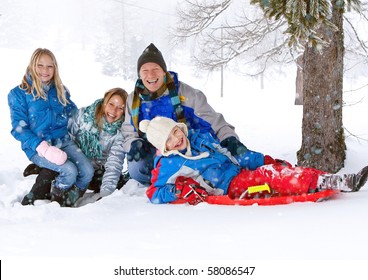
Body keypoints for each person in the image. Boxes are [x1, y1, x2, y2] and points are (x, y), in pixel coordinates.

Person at [123, 43, 271, 185]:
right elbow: (129, 132)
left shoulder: (187, 94)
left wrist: (230, 140)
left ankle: (261, 171)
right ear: (139, 75)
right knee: (136, 168)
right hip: (157, 154)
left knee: (230, 160)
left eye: (155, 69)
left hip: (188, 149)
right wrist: (134, 144)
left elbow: (214, 121)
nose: (151, 75)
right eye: (145, 71)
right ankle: (174, 179)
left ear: (164, 71)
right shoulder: (133, 100)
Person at [139, 116, 368, 205]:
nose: (176, 139)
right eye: (169, 139)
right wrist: (179, 189)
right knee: (271, 179)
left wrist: (261, 159)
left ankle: (328, 179)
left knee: (275, 170)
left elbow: (232, 155)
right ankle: (327, 183)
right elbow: (153, 193)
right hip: (229, 187)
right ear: (164, 147)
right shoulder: (168, 164)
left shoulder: (200, 139)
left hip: (239, 172)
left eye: (175, 132)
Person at [8, 48, 94, 207]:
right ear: (32, 65)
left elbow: (73, 115)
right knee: (69, 171)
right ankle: (56, 201)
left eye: (50, 66)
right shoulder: (18, 93)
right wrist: (44, 149)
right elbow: (18, 129)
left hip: (64, 141)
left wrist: (94, 116)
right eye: (40, 65)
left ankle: (70, 198)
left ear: (55, 68)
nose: (45, 71)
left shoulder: (60, 90)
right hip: (37, 146)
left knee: (87, 171)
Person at [21, 87, 131, 205]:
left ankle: (66, 201)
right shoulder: (85, 115)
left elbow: (114, 164)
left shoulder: (120, 133)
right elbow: (64, 136)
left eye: (120, 108)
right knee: (54, 169)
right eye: (111, 104)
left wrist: (105, 196)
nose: (114, 111)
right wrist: (51, 157)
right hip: (71, 158)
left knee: (107, 180)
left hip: (92, 171)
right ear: (104, 102)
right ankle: (35, 193)